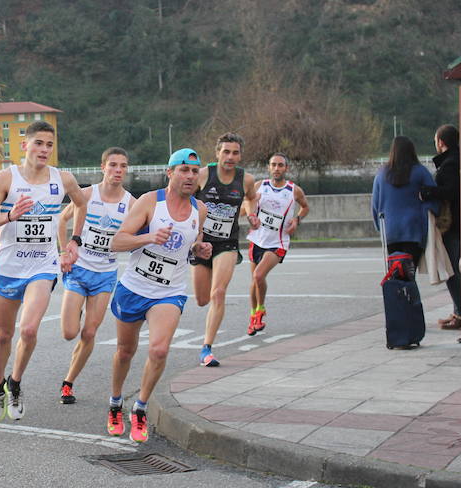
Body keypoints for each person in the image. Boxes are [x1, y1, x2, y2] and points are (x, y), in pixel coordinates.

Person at [0, 120, 87, 422]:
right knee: (3, 335)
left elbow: (81, 203)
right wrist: (10, 215)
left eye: (49, 145)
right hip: (10, 266)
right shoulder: (6, 178)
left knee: (28, 330)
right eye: (38, 143)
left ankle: (15, 383)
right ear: (24, 145)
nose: (44, 150)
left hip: (43, 266)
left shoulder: (62, 179)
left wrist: (75, 240)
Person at [107, 148, 212, 443]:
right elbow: (117, 241)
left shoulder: (199, 210)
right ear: (170, 172)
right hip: (134, 287)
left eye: (194, 171)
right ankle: (115, 402)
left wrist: (199, 250)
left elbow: (193, 242)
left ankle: (140, 408)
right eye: (184, 170)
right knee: (125, 351)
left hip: (169, 291)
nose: (190, 176)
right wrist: (148, 237)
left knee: (159, 350)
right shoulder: (151, 201)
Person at [56, 147, 135, 405]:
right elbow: (62, 220)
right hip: (79, 270)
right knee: (70, 332)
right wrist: (64, 251)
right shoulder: (88, 194)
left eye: (123, 166)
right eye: (113, 165)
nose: (118, 170)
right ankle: (75, 308)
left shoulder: (131, 204)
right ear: (103, 167)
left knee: (89, 333)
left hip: (105, 275)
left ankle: (68, 382)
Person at [192, 133, 259, 367]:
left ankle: (206, 348)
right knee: (201, 299)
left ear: (240, 155)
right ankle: (207, 342)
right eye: (226, 152)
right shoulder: (202, 175)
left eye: (235, 152)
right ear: (217, 153)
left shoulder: (246, 179)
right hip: (201, 244)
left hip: (227, 244)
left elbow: (252, 198)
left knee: (218, 293)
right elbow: (185, 202)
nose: (231, 157)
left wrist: (251, 214)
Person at [245, 153, 309, 336]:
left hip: (278, 241)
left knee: (258, 275)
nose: (277, 168)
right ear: (269, 167)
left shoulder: (294, 190)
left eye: (280, 165)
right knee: (254, 281)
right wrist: (251, 216)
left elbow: (305, 207)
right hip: (257, 238)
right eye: (273, 165)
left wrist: (297, 219)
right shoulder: (260, 186)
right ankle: (253, 317)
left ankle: (261, 308)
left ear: (286, 168)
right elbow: (248, 200)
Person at [371, 135, 438, 268]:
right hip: (414, 229)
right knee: (409, 273)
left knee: (396, 273)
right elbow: (434, 198)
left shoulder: (381, 175)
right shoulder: (420, 172)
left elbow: (375, 205)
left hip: (390, 230)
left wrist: (380, 227)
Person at [420, 125, 461, 329]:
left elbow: (450, 192)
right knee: (453, 267)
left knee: (451, 269)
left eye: (435, 140)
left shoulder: (450, 164)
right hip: (459, 222)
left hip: (451, 224)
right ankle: (459, 311)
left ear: (441, 142)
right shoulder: (458, 160)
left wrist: (427, 192)